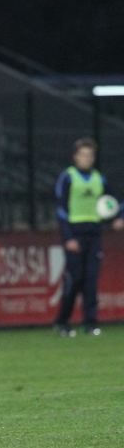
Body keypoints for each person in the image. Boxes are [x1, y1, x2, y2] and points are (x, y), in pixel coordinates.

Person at [53, 138, 124, 336]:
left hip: (94, 235)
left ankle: (90, 323)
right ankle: (62, 322)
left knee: (91, 280)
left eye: (90, 155)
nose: (87, 159)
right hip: (74, 234)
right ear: (75, 157)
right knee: (74, 279)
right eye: (83, 155)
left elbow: (117, 201)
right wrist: (68, 237)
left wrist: (119, 217)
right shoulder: (68, 177)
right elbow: (60, 209)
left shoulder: (98, 179)